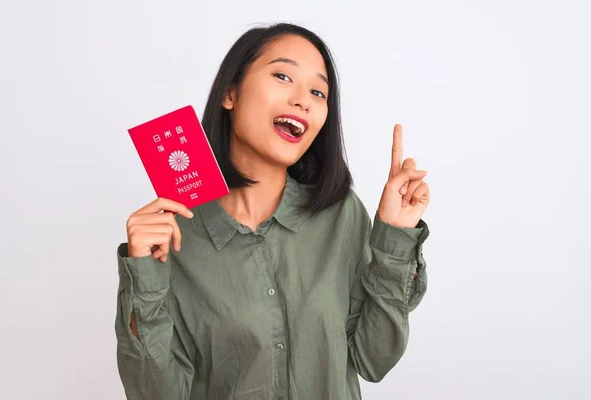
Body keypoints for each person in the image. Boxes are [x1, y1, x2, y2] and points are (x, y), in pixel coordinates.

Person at [115, 22, 431, 400]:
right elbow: (158, 394)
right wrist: (144, 276)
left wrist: (393, 240)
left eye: (318, 91)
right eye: (283, 75)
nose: (304, 100)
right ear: (230, 93)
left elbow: (372, 359)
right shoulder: (174, 237)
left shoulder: (341, 215)